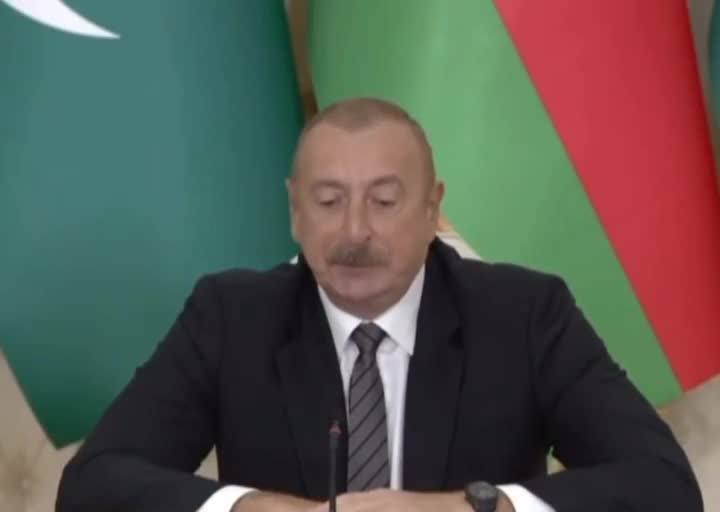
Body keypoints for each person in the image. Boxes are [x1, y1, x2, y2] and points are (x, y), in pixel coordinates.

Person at [55, 97, 703, 512]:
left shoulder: (525, 314)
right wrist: (248, 508)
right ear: (294, 211)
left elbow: (665, 487)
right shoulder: (231, 316)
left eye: (385, 201)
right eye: (329, 201)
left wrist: (473, 509)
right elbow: (92, 486)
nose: (355, 231)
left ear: (431, 209)